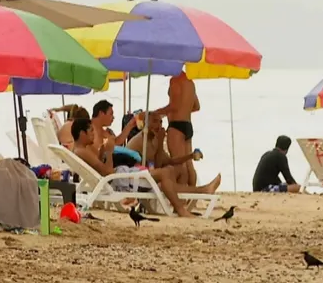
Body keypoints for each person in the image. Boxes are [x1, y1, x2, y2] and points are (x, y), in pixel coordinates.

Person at [70, 118, 220, 217]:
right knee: (165, 173)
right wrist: (109, 152)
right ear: (82, 133)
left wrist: (103, 150)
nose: (94, 134)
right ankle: (182, 208)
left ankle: (202, 191)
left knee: (165, 182)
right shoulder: (83, 152)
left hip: (122, 177)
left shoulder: (80, 150)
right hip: (122, 179)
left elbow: (100, 168)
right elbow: (107, 172)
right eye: (91, 131)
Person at [126, 113, 199, 183]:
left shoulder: (154, 139)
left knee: (180, 169)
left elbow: (169, 161)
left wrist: (191, 156)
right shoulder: (142, 141)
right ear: (145, 124)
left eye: (160, 122)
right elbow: (156, 166)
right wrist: (160, 142)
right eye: (155, 121)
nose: (158, 125)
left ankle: (183, 190)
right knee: (166, 172)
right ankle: (194, 190)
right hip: (135, 177)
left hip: (148, 174)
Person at [155, 72, 199, 186]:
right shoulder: (190, 82)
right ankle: (193, 192)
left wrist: (155, 113)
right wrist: (184, 109)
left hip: (176, 126)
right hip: (188, 124)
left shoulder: (175, 80)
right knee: (189, 164)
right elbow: (196, 106)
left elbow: (174, 106)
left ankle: (182, 193)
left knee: (179, 165)